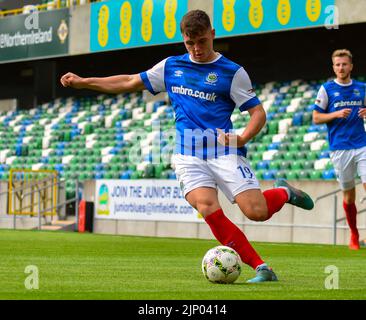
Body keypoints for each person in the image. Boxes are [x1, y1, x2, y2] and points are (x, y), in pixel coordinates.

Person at [61, 10, 314, 282]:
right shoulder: (171, 66)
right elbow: (130, 81)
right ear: (183, 39)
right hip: (187, 155)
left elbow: (258, 113)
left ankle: (285, 193)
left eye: (202, 42)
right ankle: (262, 267)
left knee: (256, 212)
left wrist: (241, 138)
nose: (196, 49)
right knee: (207, 207)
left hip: (225, 152)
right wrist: (85, 82)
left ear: (213, 35)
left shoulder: (232, 72)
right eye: (190, 43)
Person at [313, 49, 366, 250]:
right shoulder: (326, 89)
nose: (341, 68)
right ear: (333, 67)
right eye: (337, 64)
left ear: (351, 66)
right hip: (340, 148)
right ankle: (354, 234)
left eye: (344, 64)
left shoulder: (362, 88)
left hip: (362, 145)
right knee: (349, 196)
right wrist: (335, 114)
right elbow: (316, 117)